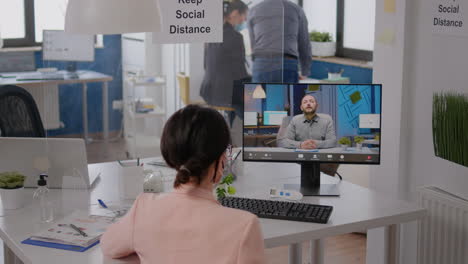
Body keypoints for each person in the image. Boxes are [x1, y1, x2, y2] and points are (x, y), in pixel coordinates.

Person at [101, 105, 267, 264]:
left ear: (170, 155)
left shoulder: (143, 208)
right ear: (222, 160)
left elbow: (109, 245)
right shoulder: (245, 226)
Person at [200, 0, 250, 126]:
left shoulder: (211, 34)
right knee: (255, 102)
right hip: (224, 94)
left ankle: (229, 129)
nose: (244, 20)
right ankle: (255, 128)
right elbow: (240, 73)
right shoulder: (236, 36)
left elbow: (206, 65)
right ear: (234, 13)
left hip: (208, 90)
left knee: (242, 92)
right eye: (244, 16)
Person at [247, 0, 311, 83]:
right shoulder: (296, 9)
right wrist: (305, 71)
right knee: (287, 95)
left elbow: (253, 43)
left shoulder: (254, 10)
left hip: (261, 63)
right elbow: (304, 43)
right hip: (287, 64)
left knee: (257, 95)